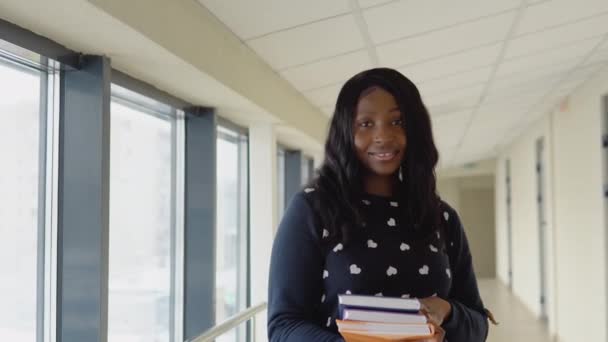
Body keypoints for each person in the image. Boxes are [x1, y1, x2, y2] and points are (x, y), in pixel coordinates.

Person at [267, 68, 490, 342]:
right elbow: (283, 327)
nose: (383, 136)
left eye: (397, 122)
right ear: (346, 131)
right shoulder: (312, 210)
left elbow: (478, 325)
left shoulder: (441, 217)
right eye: (366, 123)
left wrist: (447, 310)